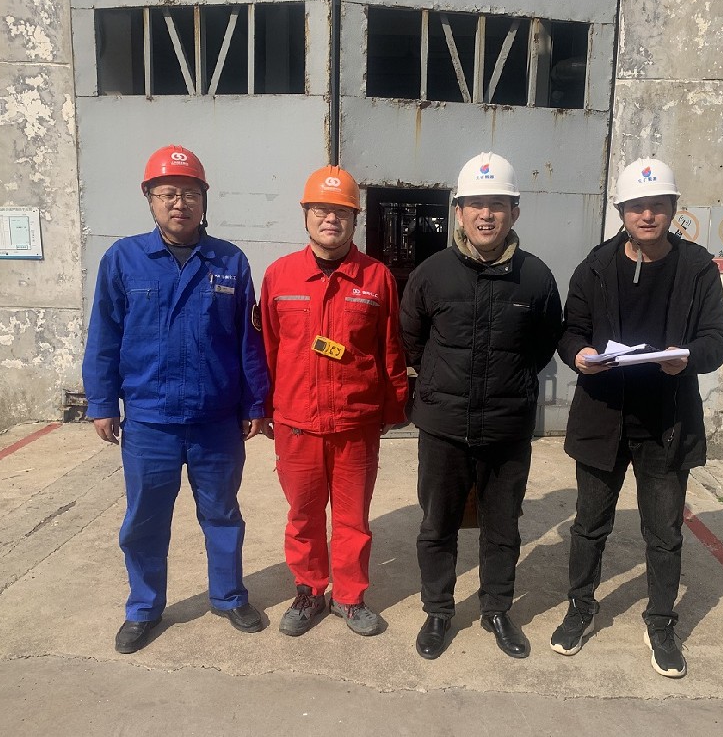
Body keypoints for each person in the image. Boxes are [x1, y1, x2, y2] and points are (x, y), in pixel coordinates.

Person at [83, 144, 270, 654]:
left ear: (204, 200)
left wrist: (255, 403)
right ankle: (144, 608)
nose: (179, 203)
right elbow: (104, 335)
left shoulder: (229, 261)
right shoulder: (123, 260)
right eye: (167, 193)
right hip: (150, 421)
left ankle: (229, 597)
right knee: (145, 520)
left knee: (222, 514)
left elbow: (248, 340)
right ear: (149, 198)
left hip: (216, 421)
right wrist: (102, 402)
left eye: (189, 193)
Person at [550, 158, 723, 678]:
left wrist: (687, 359)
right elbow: (569, 329)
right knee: (589, 525)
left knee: (664, 532)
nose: (647, 215)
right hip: (603, 416)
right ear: (622, 212)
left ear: (673, 209)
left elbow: (716, 339)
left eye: (657, 206)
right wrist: (579, 354)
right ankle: (580, 606)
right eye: (636, 207)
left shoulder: (697, 268)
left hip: (665, 420)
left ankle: (661, 622)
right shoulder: (595, 266)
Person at [400, 152, 562, 660]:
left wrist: (508, 385)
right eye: (475, 204)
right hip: (443, 426)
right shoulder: (432, 273)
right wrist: (440, 386)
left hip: (507, 427)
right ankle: (438, 611)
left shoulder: (535, 278)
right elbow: (411, 341)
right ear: (459, 212)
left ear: (515, 212)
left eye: (497, 204)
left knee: (502, 527)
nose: (486, 215)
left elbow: (543, 346)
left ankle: (496, 609)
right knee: (437, 525)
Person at [260, 165, 408, 638]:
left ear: (355, 220)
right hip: (297, 423)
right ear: (306, 214)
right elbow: (267, 348)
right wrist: (264, 407)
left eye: (342, 212)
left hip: (355, 424)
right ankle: (309, 591)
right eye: (322, 210)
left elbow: (390, 348)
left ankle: (349, 597)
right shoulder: (280, 275)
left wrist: (393, 407)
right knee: (303, 516)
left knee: (352, 519)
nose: (331, 219)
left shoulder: (377, 278)